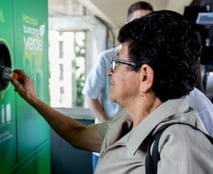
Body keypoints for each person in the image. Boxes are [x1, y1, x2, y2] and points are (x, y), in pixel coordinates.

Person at [11, 10, 213, 173]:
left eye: (117, 62)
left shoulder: (180, 145)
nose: (110, 72)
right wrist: (32, 98)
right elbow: (77, 134)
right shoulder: (129, 122)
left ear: (144, 77)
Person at [82, 2, 153, 170]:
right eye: (138, 22)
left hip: (138, 144)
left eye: (148, 22)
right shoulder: (107, 59)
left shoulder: (152, 61)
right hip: (108, 142)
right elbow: (90, 96)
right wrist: (111, 128)